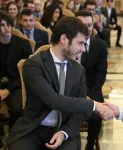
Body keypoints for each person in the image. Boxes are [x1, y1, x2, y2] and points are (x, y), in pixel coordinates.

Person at [7, 16, 114, 150]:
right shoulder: (33, 65)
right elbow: (53, 100)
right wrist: (94, 105)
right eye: (80, 43)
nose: (83, 49)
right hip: (34, 128)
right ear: (64, 39)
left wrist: (64, 133)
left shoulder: (78, 69)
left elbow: (79, 113)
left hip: (65, 127)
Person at [0, 9, 32, 150]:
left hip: (16, 84)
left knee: (17, 109)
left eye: (8, 24)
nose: (6, 28)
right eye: (2, 25)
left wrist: (8, 90)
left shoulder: (23, 44)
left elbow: (27, 73)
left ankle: (13, 139)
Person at [76, 10, 108, 150]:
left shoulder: (99, 45)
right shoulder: (67, 45)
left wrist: (89, 96)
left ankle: (90, 144)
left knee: (97, 116)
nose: (86, 29)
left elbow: (101, 74)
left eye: (89, 25)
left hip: (92, 90)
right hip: (69, 91)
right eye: (82, 25)